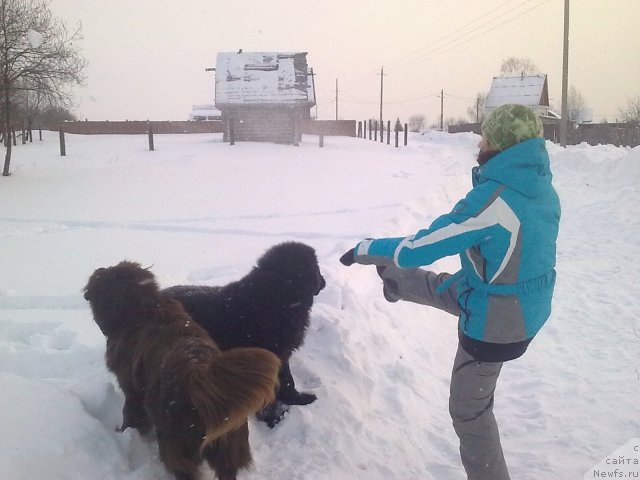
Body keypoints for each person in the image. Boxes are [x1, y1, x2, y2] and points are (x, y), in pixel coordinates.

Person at [340, 103, 560, 480]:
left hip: (497, 326)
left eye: (486, 135)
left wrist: (366, 249)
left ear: (499, 143)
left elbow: (418, 248)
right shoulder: (541, 188)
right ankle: (395, 283)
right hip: (524, 302)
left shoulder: (493, 201)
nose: (480, 140)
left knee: (470, 412)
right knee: (450, 286)